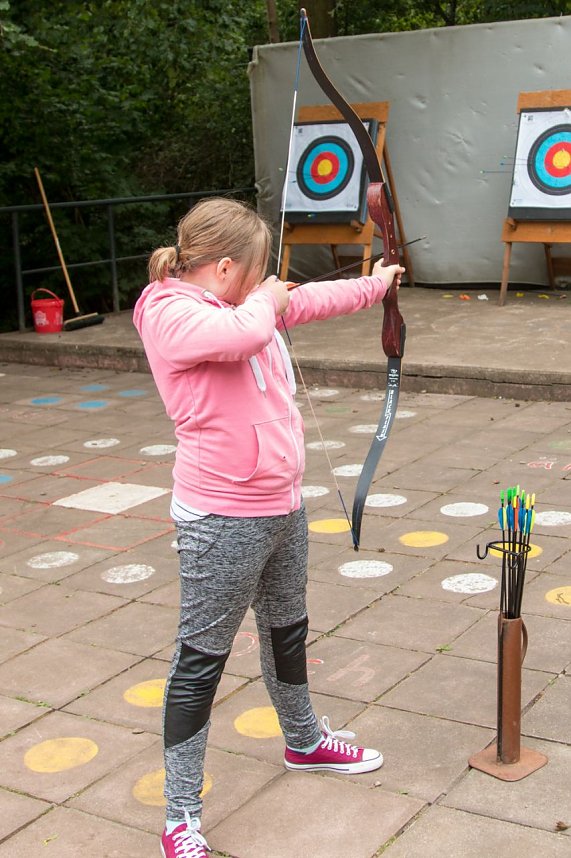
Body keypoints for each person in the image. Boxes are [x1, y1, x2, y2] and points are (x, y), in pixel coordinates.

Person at [133, 197, 405, 858]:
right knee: (200, 661)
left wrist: (380, 282)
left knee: (287, 628)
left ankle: (304, 740)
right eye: (255, 272)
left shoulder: (243, 302)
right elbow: (249, 331)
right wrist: (266, 300)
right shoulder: (167, 311)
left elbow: (305, 301)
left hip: (280, 505)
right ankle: (180, 816)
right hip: (220, 518)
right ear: (224, 266)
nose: (266, 286)